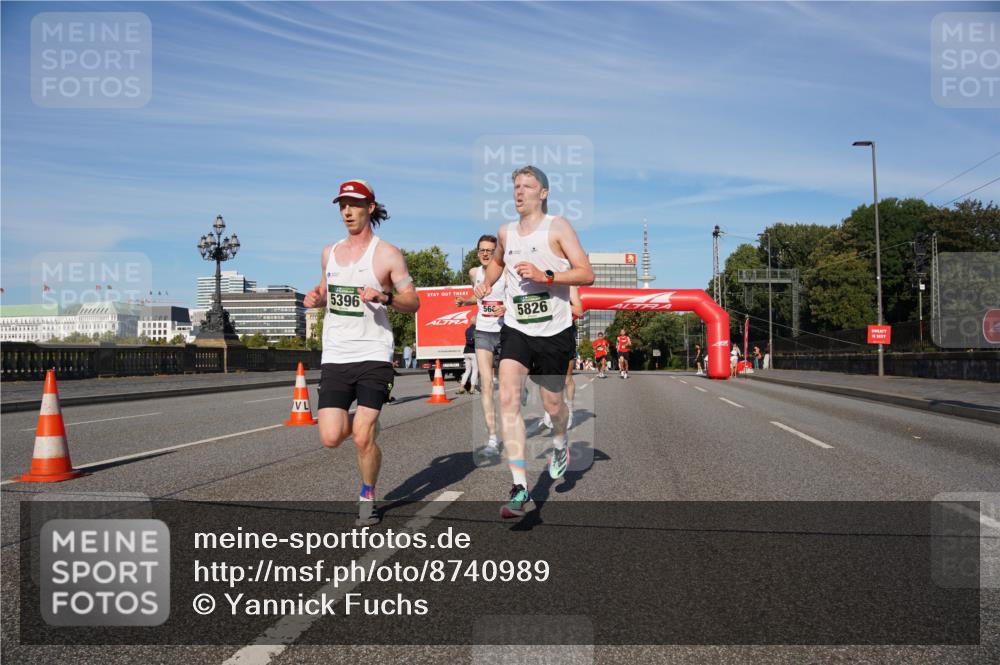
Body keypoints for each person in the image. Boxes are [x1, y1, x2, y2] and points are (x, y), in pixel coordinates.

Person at [474, 165, 594, 518]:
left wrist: (547, 276)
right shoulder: (505, 232)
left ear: (543, 193)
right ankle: (520, 487)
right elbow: (497, 263)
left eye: (527, 186)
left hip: (554, 331)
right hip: (517, 329)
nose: (519, 191)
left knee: (553, 406)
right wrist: (486, 283)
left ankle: (560, 441)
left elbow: (586, 273)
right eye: (516, 186)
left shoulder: (558, 227)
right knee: (508, 397)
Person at [303, 179, 419, 527]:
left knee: (363, 435)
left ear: (370, 208)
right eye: (343, 205)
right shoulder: (329, 253)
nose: (347, 211)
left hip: (374, 353)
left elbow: (413, 302)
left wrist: (384, 297)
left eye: (354, 204)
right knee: (330, 437)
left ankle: (368, 494)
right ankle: (367, 423)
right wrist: (316, 298)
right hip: (336, 354)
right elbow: (325, 291)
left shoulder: (387, 254)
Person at [455, 235, 506, 456]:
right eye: (482, 250)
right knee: (486, 383)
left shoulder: (506, 272)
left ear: (497, 253)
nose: (485, 254)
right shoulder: (474, 273)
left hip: (505, 331)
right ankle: (493, 439)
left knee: (508, 383)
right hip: (483, 331)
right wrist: (464, 301)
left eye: (490, 250)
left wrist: (506, 307)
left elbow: (517, 296)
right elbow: (478, 297)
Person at [458, 316, 479, 394]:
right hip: (473, 352)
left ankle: (461, 387)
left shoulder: (467, 330)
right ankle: (472, 389)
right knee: (475, 370)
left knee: (467, 370)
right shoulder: (477, 330)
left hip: (466, 352)